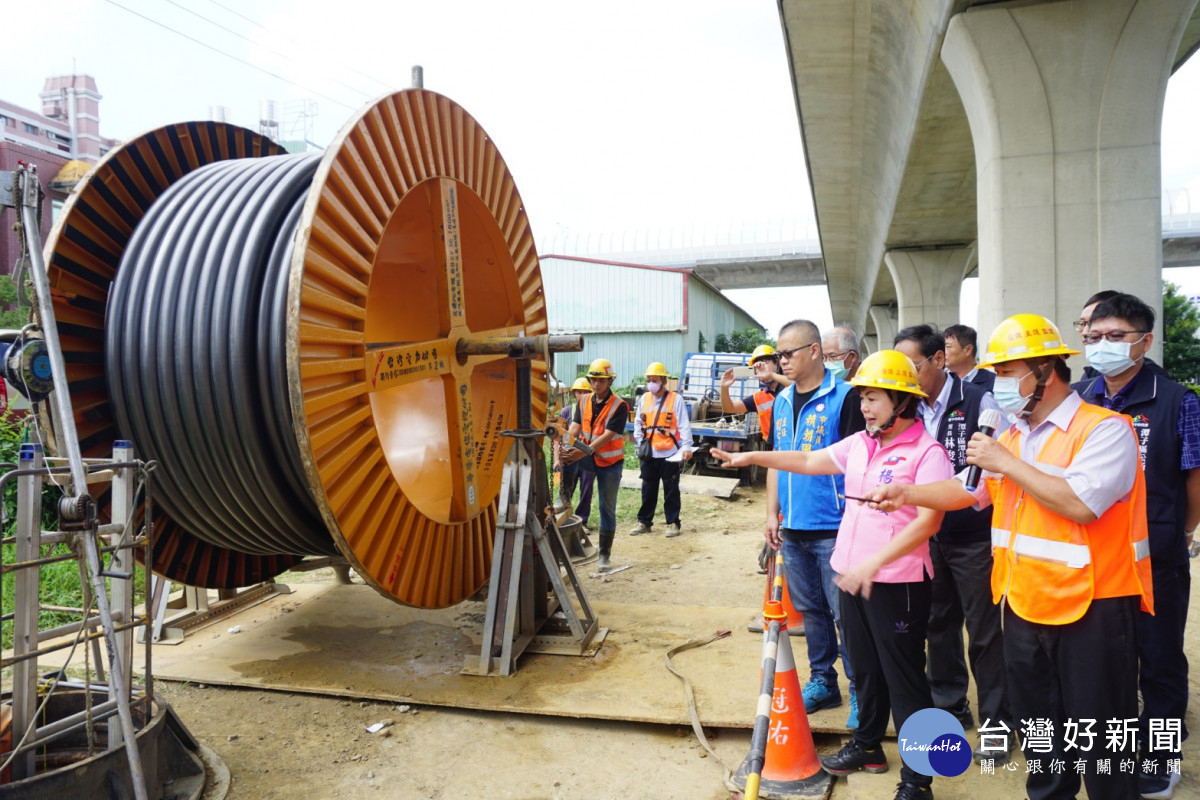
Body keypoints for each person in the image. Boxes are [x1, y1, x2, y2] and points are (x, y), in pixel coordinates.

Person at [865, 314, 1154, 800]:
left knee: (1102, 740)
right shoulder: (1015, 436)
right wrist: (909, 492)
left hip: (1094, 607)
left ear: (1044, 370)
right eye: (996, 373)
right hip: (1022, 604)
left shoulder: (1105, 430)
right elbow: (970, 492)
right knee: (1043, 737)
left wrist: (1005, 462)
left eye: (1005, 372)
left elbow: (1080, 505)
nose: (997, 385)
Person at [714, 350, 952, 800]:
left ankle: (919, 781)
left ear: (902, 402)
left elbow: (930, 521)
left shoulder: (927, 452)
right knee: (864, 670)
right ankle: (868, 747)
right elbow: (807, 461)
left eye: (875, 398)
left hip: (897, 584)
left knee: (906, 680)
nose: (864, 406)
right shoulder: (861, 444)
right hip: (851, 576)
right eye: (862, 397)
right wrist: (752, 459)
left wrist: (874, 564)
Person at [1072, 293, 1199, 800]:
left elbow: (1194, 482)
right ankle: (1118, 752)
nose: (1102, 345)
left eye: (1116, 337)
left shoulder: (1176, 401)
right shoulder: (1080, 397)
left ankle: (1161, 755)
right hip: (1092, 556)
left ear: (1144, 342)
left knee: (1160, 658)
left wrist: (1178, 531)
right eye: (1094, 336)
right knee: (1109, 662)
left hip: (1155, 556)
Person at [893, 325, 1011, 756]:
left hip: (974, 538)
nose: (905, 376)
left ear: (939, 360)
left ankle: (998, 723)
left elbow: (986, 476)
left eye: (913, 366)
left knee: (984, 632)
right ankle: (949, 705)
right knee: (937, 625)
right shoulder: (905, 408)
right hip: (929, 536)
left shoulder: (980, 402)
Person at [757, 319, 864, 727]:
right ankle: (823, 680)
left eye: (787, 353)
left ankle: (859, 690)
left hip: (835, 527)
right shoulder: (782, 402)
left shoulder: (846, 398)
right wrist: (772, 514)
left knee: (846, 615)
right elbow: (774, 460)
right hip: (794, 528)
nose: (780, 361)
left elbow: (860, 463)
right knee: (811, 611)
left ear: (815, 351)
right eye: (778, 354)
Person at [563, 358, 630, 572]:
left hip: (609, 462)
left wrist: (580, 452)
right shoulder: (583, 401)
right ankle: (563, 496)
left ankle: (604, 555)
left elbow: (608, 436)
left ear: (610, 381)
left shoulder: (619, 406)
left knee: (606, 508)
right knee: (567, 456)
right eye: (593, 380)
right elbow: (575, 426)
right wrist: (566, 443)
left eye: (601, 381)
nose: (596, 384)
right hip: (590, 456)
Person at [631, 362, 694, 537]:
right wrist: (640, 440)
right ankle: (644, 522)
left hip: (670, 452)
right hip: (649, 452)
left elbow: (683, 424)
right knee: (648, 488)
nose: (652, 383)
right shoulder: (644, 398)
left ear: (664, 381)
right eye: (649, 380)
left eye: (655, 380)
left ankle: (673, 523)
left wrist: (686, 446)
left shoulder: (676, 399)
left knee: (671, 489)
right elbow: (638, 422)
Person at [719, 344, 789, 442]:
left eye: (765, 362)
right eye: (757, 364)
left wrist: (771, 375)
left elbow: (803, 385)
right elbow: (729, 408)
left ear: (777, 363)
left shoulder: (789, 387)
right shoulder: (758, 398)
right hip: (774, 449)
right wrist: (724, 387)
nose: (761, 367)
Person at [553, 377, 596, 528]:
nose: (581, 395)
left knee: (586, 489)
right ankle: (564, 515)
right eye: (579, 392)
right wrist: (557, 459)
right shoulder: (567, 411)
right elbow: (557, 437)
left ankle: (582, 521)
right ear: (574, 394)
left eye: (585, 392)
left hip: (586, 457)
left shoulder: (593, 411)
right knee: (565, 487)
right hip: (569, 456)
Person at [942, 324, 995, 392]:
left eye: (948, 347)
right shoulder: (939, 382)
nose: (943, 352)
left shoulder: (992, 383)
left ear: (968, 350)